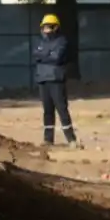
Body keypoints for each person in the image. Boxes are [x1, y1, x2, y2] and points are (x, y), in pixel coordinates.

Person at [34, 14, 77, 146]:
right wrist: (48, 54)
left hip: (56, 79)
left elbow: (57, 57)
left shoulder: (62, 41)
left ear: (56, 27)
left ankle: (71, 139)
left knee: (61, 109)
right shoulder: (39, 41)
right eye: (44, 27)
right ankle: (48, 139)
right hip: (42, 79)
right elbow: (35, 55)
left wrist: (44, 55)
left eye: (49, 27)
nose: (46, 30)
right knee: (47, 110)